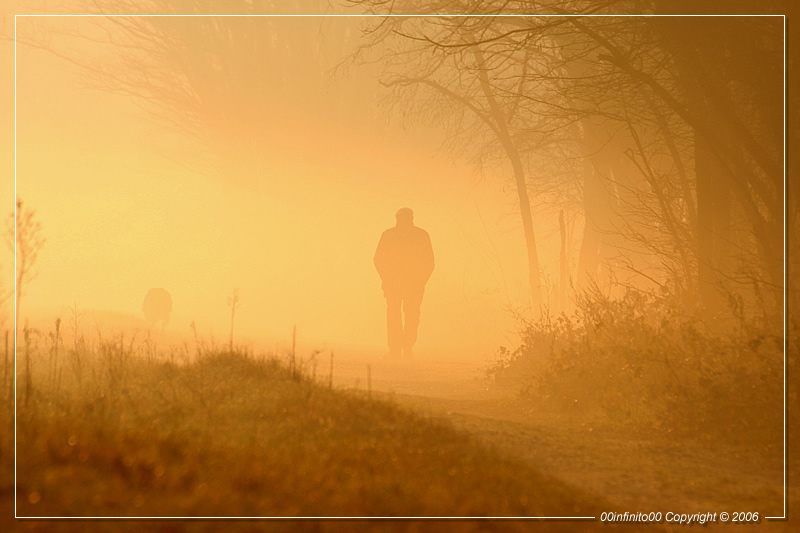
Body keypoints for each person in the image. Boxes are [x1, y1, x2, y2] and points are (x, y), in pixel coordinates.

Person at [373, 208, 434, 358]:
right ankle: (404, 347)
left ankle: (399, 348)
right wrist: (421, 281)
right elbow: (429, 263)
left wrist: (386, 278)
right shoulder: (421, 235)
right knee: (410, 315)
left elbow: (378, 259)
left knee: (397, 315)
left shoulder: (389, 235)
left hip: (400, 284)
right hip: (409, 284)